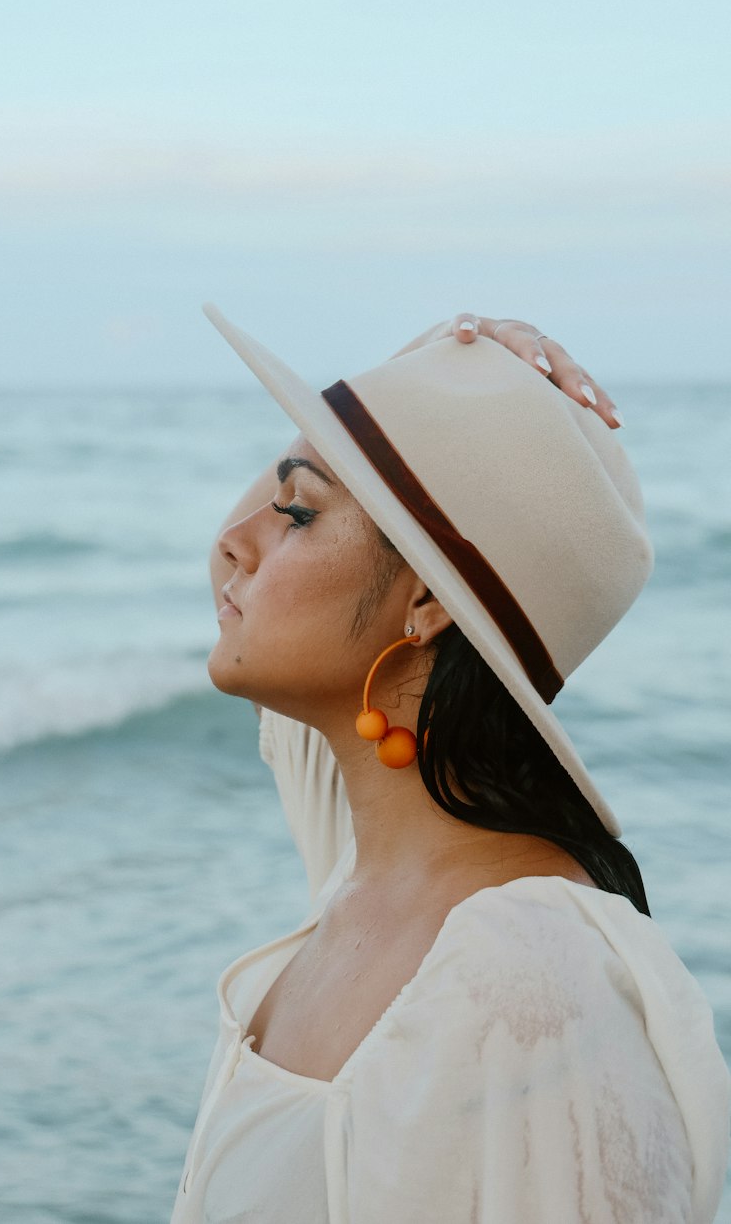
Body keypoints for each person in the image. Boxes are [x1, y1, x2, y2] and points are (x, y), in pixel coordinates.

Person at [171, 309, 730, 1224]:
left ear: (426, 599)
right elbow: (233, 568)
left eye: (299, 512)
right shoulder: (363, 875)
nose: (238, 541)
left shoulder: (531, 979)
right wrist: (430, 371)